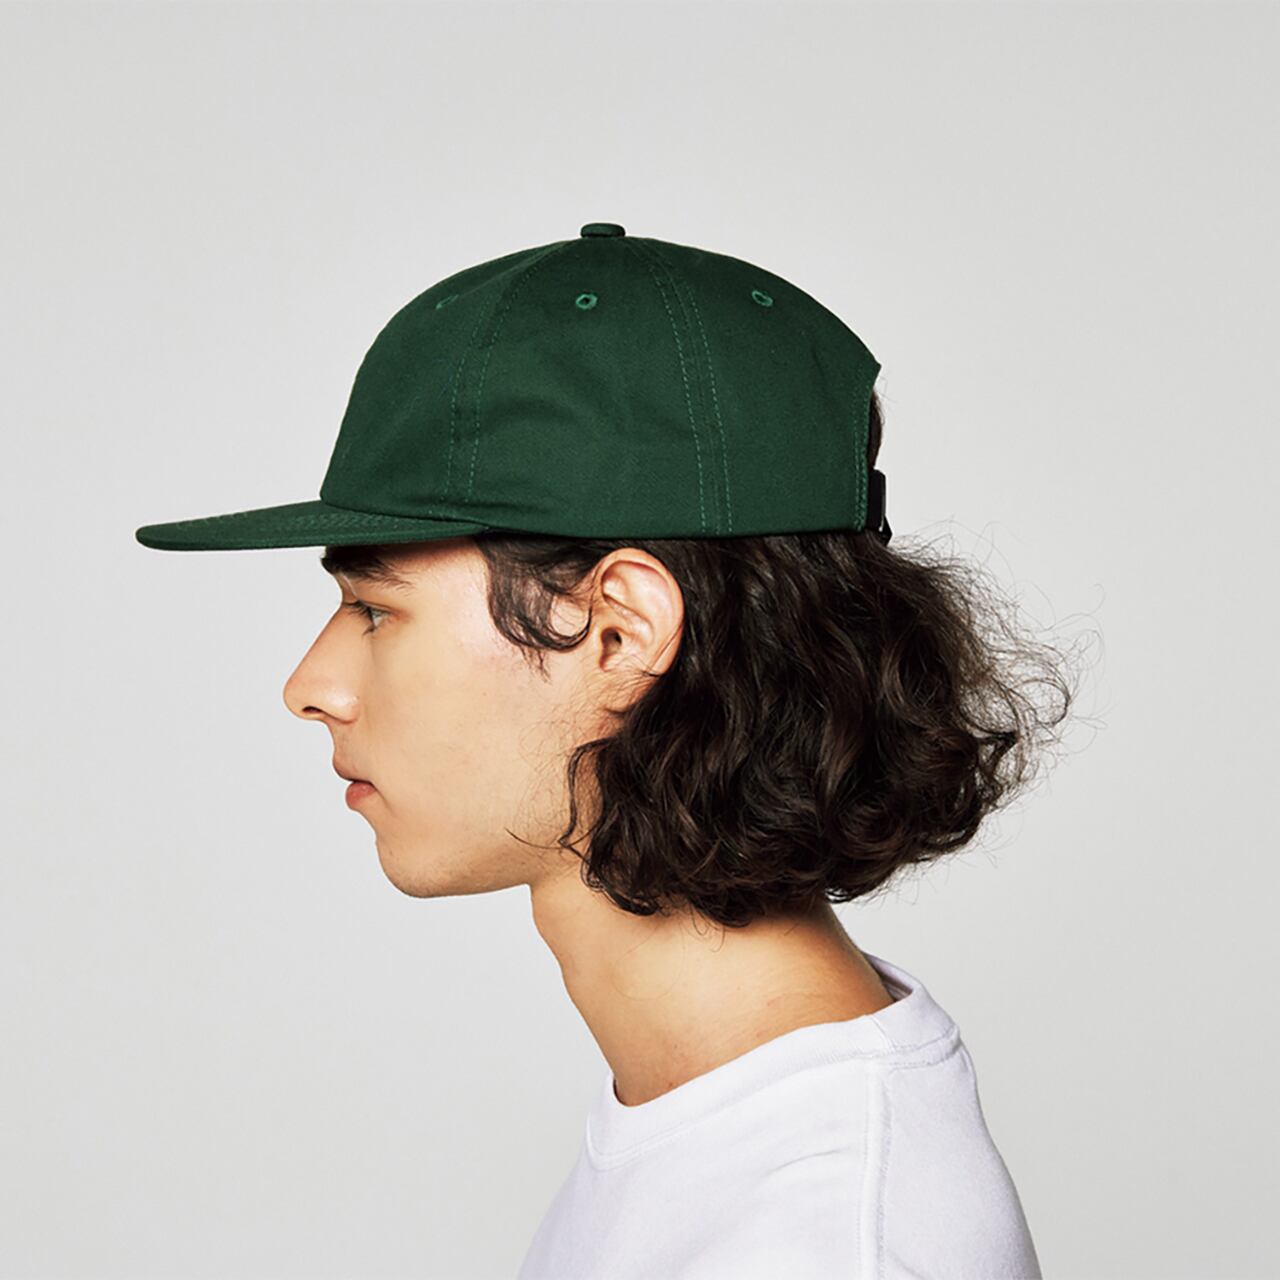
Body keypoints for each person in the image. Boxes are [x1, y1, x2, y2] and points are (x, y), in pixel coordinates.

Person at [137, 222, 1075, 1278]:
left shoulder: (821, 1241)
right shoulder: (716, 1117)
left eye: (374, 608)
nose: (311, 687)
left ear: (622, 632)